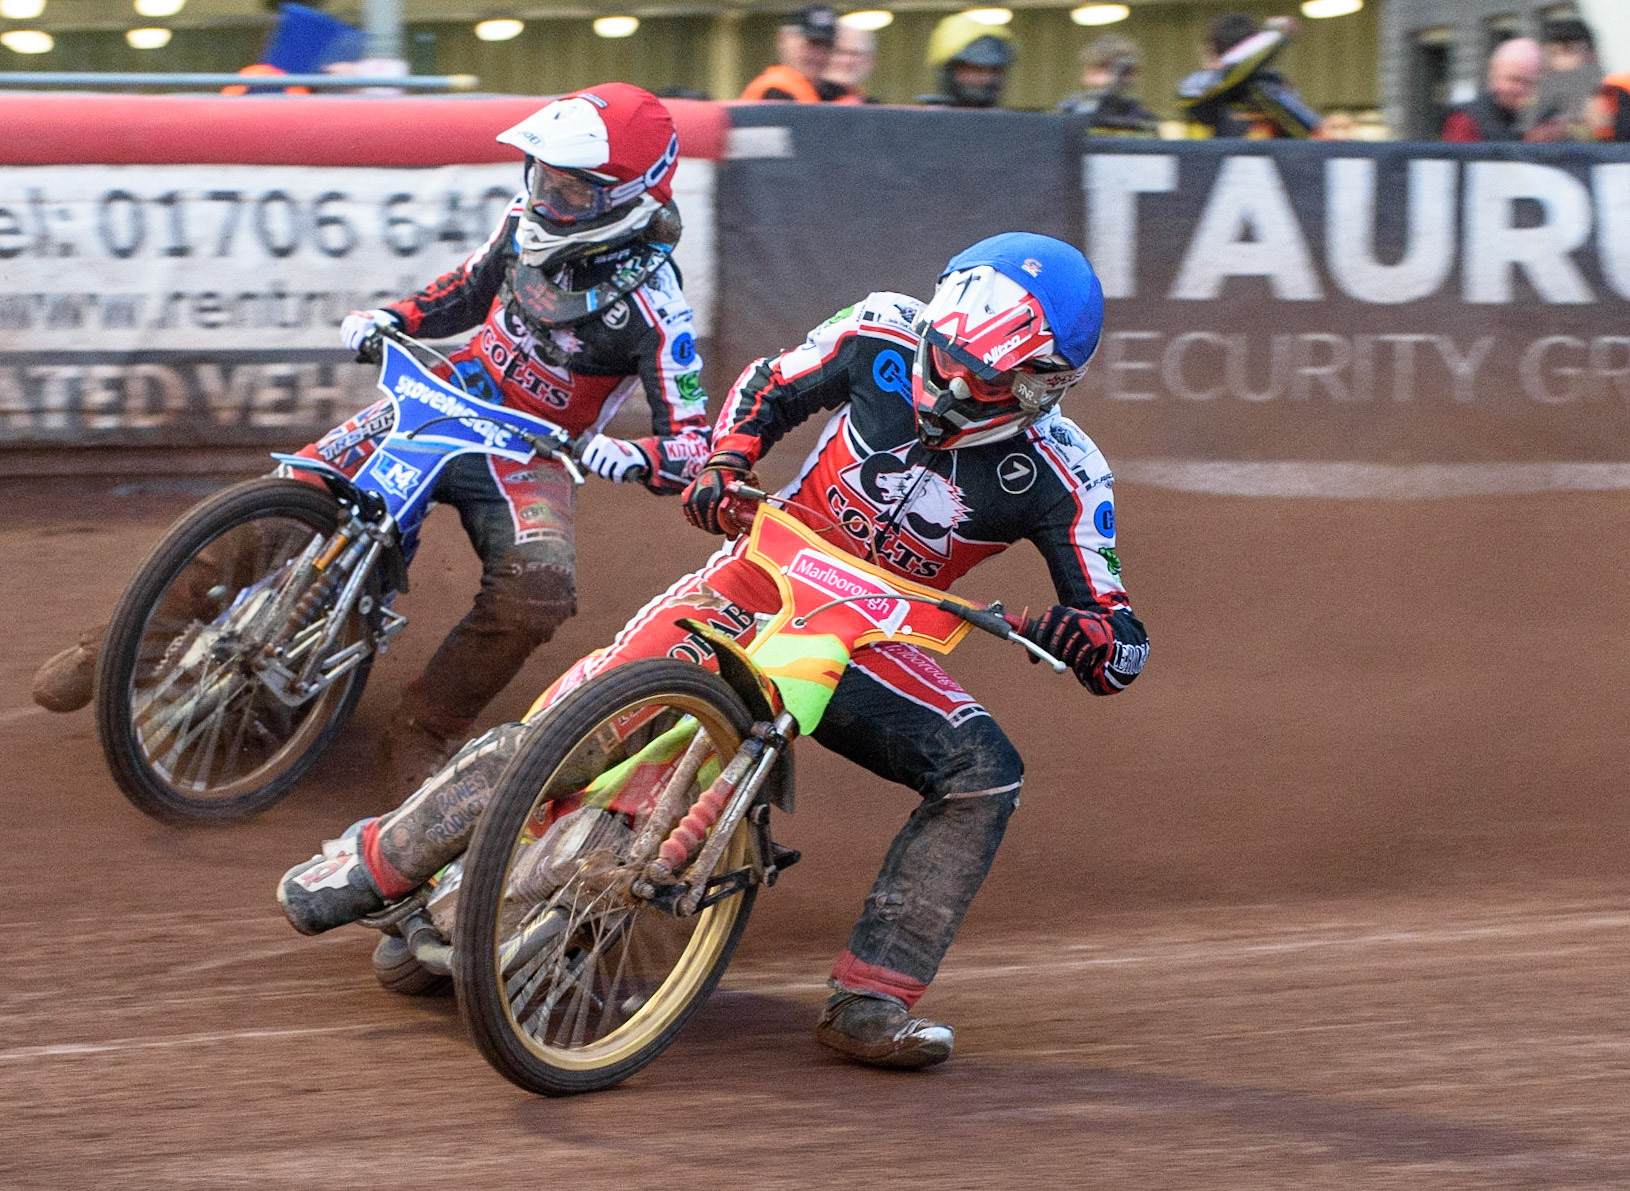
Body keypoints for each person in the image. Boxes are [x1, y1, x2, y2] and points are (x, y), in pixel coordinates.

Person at [277, 232, 1152, 1070]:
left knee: (985, 770)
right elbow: (771, 384)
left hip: (875, 642)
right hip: (759, 578)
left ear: (1048, 382)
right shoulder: (881, 326)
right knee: (583, 717)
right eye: (947, 354)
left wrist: (1095, 642)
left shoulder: (1069, 474)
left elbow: (1118, 635)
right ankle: (376, 858)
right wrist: (727, 461)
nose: (949, 382)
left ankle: (872, 997)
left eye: (983, 375)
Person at [32, 83, 712, 791]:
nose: (548, 201)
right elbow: (467, 290)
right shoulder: (523, 222)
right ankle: (118, 642)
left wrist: (635, 456)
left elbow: (692, 445)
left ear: (630, 200)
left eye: (571, 194)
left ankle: (424, 728)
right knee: (290, 495)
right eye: (543, 179)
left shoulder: (657, 310)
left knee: (537, 590)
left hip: (531, 448)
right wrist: (394, 317)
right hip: (447, 391)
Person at [1177, 13, 1320, 138]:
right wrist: (1275, 33)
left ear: (1211, 50)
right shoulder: (1196, 87)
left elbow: (1315, 131)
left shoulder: (1268, 84)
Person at [1442, 37, 1545, 142]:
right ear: (1494, 74)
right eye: (1514, 79)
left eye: (1528, 82)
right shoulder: (1464, 121)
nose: (1520, 89)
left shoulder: (1517, 121)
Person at [1056, 33, 1159, 136]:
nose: (1113, 78)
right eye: (1101, 68)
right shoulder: (1067, 115)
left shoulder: (1144, 121)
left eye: (1125, 71)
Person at [740, 5, 843, 102]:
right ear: (784, 39)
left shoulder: (836, 93)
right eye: (812, 43)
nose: (819, 56)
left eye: (827, 47)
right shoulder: (774, 92)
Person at [918, 13, 1016, 108]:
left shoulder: (1013, 123)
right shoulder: (922, 121)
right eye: (974, 69)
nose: (985, 79)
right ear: (947, 71)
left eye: (994, 70)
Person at [1532, 18, 1602, 138]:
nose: (1557, 62)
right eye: (1552, 53)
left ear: (1591, 56)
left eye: (1567, 51)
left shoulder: (1614, 101)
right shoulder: (1537, 107)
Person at [822, 16, 879, 104]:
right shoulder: (796, 99)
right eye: (838, 52)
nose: (846, 61)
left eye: (856, 54)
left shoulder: (871, 106)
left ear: (871, 61)